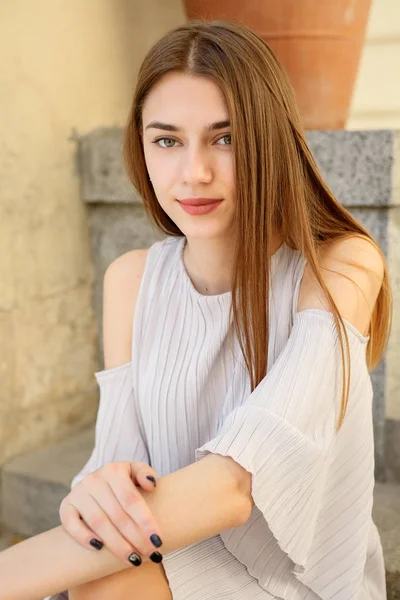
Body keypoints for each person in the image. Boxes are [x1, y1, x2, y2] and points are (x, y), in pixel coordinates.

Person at [0, 18, 392, 600]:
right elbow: (117, 467)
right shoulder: (132, 280)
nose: (194, 172)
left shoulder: (341, 266)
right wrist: (98, 489)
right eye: (167, 140)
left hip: (298, 581)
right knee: (101, 580)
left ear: (269, 139)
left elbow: (235, 487)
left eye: (225, 137)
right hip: (179, 550)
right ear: (143, 147)